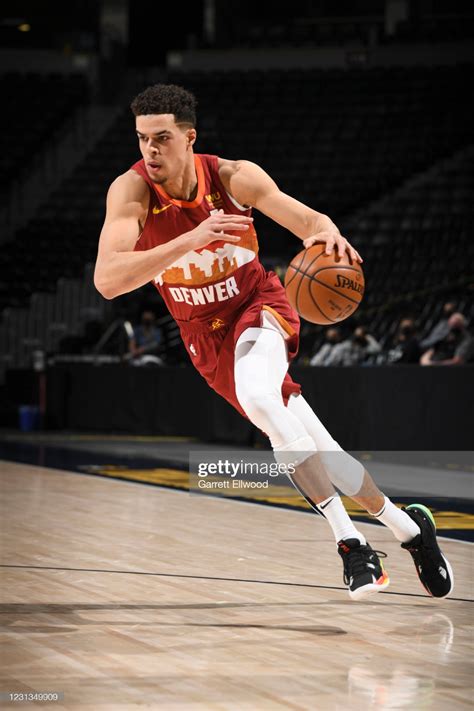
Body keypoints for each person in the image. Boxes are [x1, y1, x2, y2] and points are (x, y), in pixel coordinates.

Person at [94, 84, 453, 601]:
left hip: (258, 307)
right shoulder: (129, 194)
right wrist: (192, 239)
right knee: (324, 455)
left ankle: (352, 546)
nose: (150, 150)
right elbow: (108, 280)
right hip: (204, 338)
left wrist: (327, 233)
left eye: (162, 138)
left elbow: (308, 221)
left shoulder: (233, 177)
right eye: (142, 138)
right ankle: (410, 529)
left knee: (262, 399)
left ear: (189, 138)